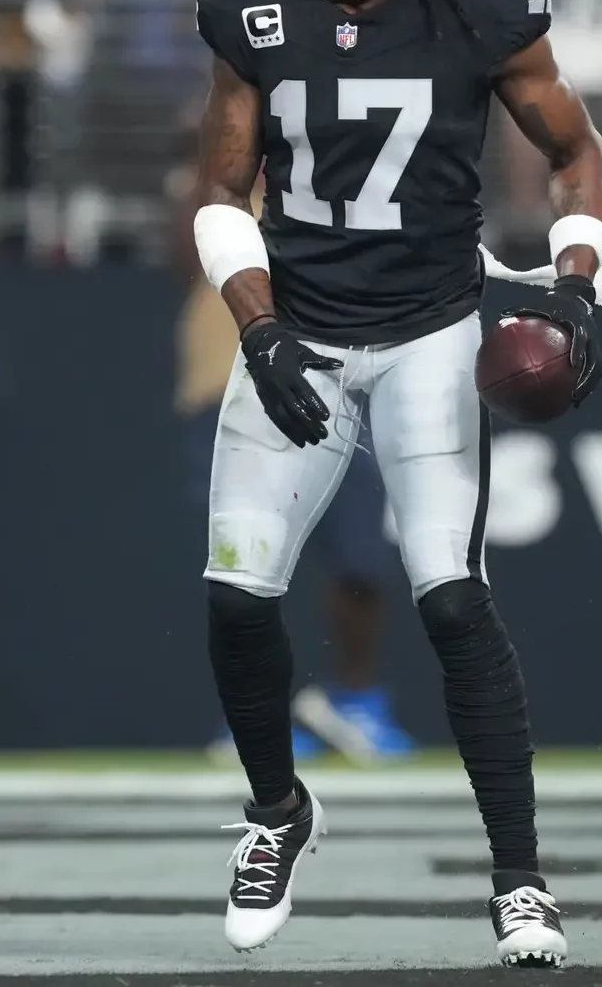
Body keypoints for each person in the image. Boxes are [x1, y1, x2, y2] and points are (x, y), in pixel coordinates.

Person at [194, 0, 602, 968]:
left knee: (449, 591)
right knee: (235, 590)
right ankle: (279, 807)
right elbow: (223, 190)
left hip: (431, 324)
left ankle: (519, 881)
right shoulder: (247, 3)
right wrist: (261, 327)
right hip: (304, 323)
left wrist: (574, 285)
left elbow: (576, 152)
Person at [168, 143, 414, 761]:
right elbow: (181, 257)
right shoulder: (219, 195)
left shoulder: (339, 186)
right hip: (228, 383)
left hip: (335, 380)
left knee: (360, 558)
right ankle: (254, 716)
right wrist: (208, 173)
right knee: (247, 566)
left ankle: (355, 702)